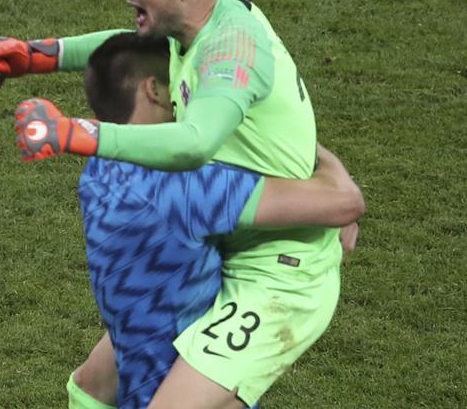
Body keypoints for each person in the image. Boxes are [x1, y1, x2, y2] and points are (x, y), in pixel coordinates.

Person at [0, 0, 350, 407]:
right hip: (225, 238)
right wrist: (38, 55)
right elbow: (129, 48)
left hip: (278, 274)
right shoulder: (194, 20)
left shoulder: (231, 53)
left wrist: (75, 132)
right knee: (93, 386)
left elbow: (194, 142)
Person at [29, 31, 363, 408]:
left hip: (163, 312)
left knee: (91, 385)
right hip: (227, 308)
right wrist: (324, 161)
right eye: (180, 86)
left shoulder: (102, 165)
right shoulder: (188, 187)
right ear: (154, 91)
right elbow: (343, 203)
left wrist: (39, 56)